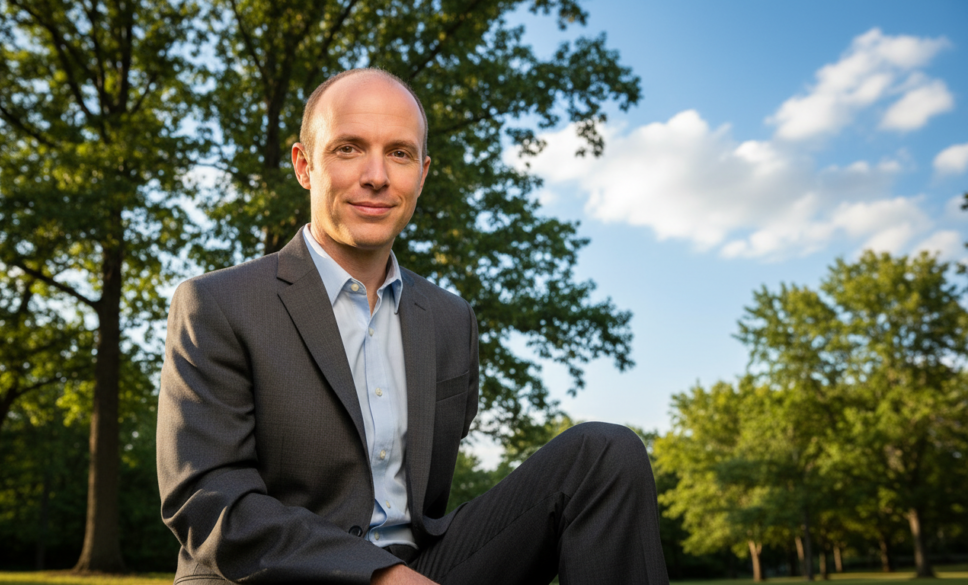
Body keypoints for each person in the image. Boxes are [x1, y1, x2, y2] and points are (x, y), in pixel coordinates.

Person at [157, 67, 669, 585]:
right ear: (304, 165)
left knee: (605, 454)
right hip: (274, 578)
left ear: (421, 173)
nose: (377, 175)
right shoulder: (216, 303)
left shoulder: (452, 320)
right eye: (349, 148)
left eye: (399, 153)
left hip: (424, 569)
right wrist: (377, 575)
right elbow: (206, 501)